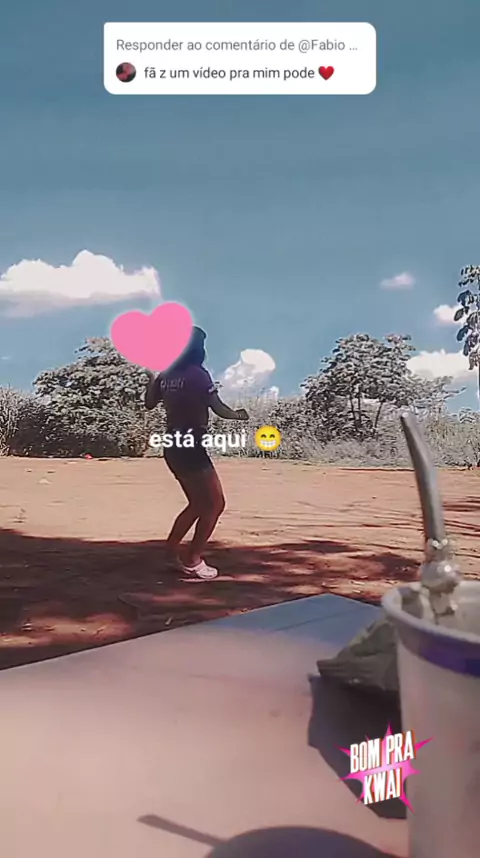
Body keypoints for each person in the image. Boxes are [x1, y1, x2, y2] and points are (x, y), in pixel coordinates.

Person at [145, 326, 249, 579]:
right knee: (215, 504)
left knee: (197, 503)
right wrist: (238, 415)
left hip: (172, 444)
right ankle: (193, 559)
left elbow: (149, 403)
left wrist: (151, 379)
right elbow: (218, 408)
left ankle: (171, 552)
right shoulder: (198, 374)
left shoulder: (166, 374)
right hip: (191, 443)